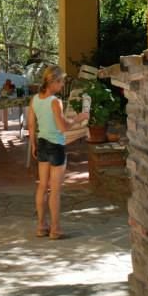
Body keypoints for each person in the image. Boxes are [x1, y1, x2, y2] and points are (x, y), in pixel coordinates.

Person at [27, 65, 89, 240]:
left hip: (42, 144)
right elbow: (63, 127)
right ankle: (55, 229)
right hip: (56, 146)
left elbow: (31, 125)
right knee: (54, 190)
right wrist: (78, 118)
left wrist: (33, 145)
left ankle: (41, 226)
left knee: (42, 186)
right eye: (61, 82)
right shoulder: (55, 102)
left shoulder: (35, 99)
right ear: (53, 82)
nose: (62, 85)